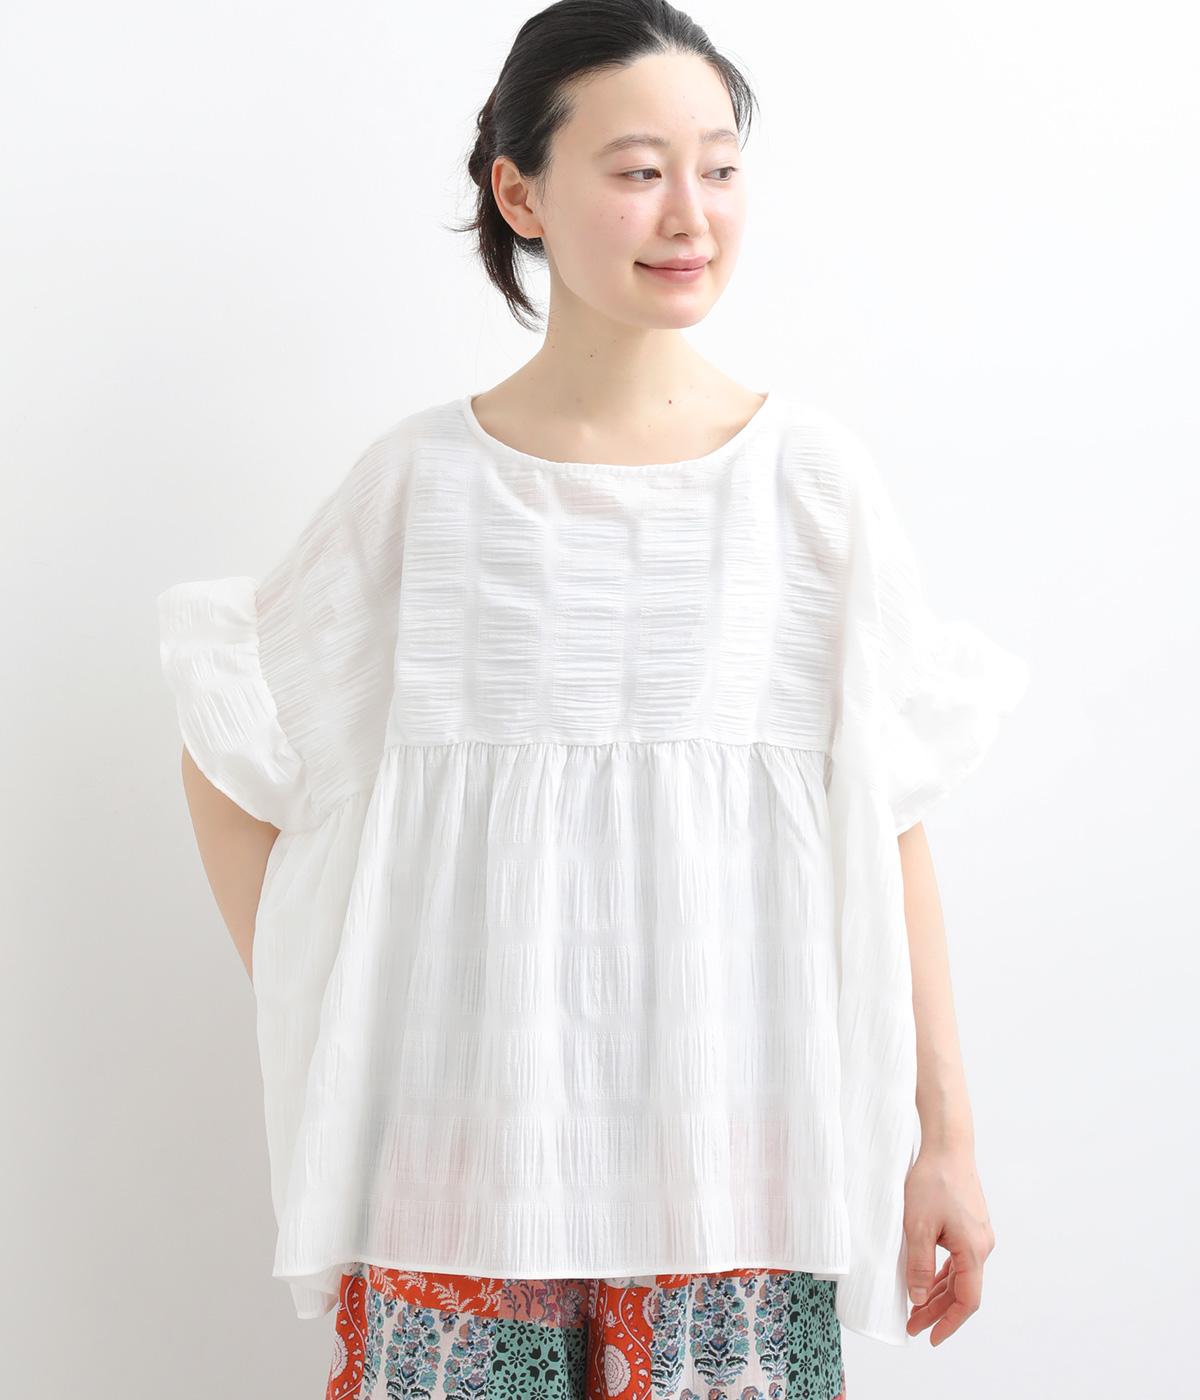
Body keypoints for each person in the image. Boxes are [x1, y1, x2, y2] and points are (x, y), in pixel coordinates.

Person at [155, 3, 1030, 1396]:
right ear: (522, 194)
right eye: (638, 170)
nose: (691, 213)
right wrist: (340, 1007)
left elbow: (887, 823)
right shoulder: (423, 490)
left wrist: (949, 1142)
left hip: (737, 1165)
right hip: (461, 1169)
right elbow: (229, 729)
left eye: (720, 167)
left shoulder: (809, 487)